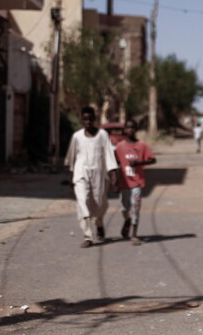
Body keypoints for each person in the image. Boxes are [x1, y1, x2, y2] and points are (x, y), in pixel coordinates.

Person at [64, 106, 120, 248]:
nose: (88, 122)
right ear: (81, 120)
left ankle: (99, 222)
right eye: (85, 119)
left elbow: (109, 155)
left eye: (90, 119)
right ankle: (88, 235)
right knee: (83, 203)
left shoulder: (102, 135)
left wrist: (113, 175)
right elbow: (71, 157)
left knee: (99, 203)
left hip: (99, 174)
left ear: (94, 119)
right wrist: (71, 177)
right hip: (81, 173)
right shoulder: (77, 136)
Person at [113, 118, 156, 245]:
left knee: (136, 207)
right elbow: (115, 163)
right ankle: (127, 220)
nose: (130, 130)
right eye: (128, 128)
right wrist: (114, 180)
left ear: (136, 130)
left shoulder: (142, 145)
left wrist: (139, 163)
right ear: (124, 130)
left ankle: (134, 234)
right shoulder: (119, 147)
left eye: (132, 128)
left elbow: (153, 160)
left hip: (137, 182)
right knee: (124, 209)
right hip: (124, 182)